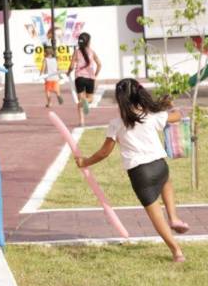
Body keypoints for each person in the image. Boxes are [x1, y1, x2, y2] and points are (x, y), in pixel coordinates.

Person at [76, 78, 189, 263]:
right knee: (166, 182)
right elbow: (177, 116)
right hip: (160, 165)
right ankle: (174, 217)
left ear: (120, 100)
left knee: (155, 215)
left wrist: (85, 161)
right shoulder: (151, 115)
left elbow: (104, 152)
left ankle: (177, 251)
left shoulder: (116, 124)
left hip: (140, 173)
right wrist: (169, 106)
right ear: (141, 94)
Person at [67, 32, 101, 126]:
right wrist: (95, 75)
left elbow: (71, 66)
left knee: (80, 101)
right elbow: (99, 64)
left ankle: (81, 122)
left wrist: (68, 73)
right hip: (90, 78)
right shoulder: (92, 51)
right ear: (88, 42)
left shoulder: (76, 52)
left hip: (79, 78)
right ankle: (86, 100)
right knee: (90, 99)